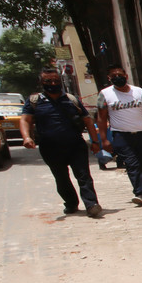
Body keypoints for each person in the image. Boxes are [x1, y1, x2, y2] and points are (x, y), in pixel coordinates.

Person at [19, 68, 104, 217]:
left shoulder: (71, 99)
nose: (53, 83)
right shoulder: (35, 101)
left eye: (56, 81)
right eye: (48, 81)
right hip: (50, 147)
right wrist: (27, 137)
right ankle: (71, 203)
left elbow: (87, 120)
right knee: (61, 177)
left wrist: (95, 142)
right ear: (41, 82)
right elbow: (25, 120)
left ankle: (91, 205)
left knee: (84, 176)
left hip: (75, 145)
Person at [96, 65, 142, 206]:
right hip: (121, 135)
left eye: (120, 75)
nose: (117, 78)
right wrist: (103, 139)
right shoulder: (105, 94)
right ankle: (140, 192)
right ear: (109, 78)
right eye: (113, 76)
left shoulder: (138, 92)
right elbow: (101, 118)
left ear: (126, 76)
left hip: (141, 134)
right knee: (132, 164)